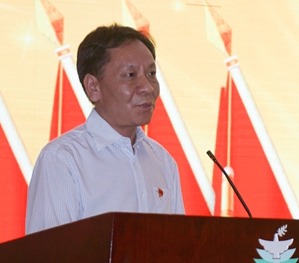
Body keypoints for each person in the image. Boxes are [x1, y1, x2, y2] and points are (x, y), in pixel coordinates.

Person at [25, 24, 185, 234]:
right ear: (93, 87)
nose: (147, 87)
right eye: (130, 75)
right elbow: (49, 252)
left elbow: (179, 244)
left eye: (151, 73)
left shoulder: (163, 161)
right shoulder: (62, 159)